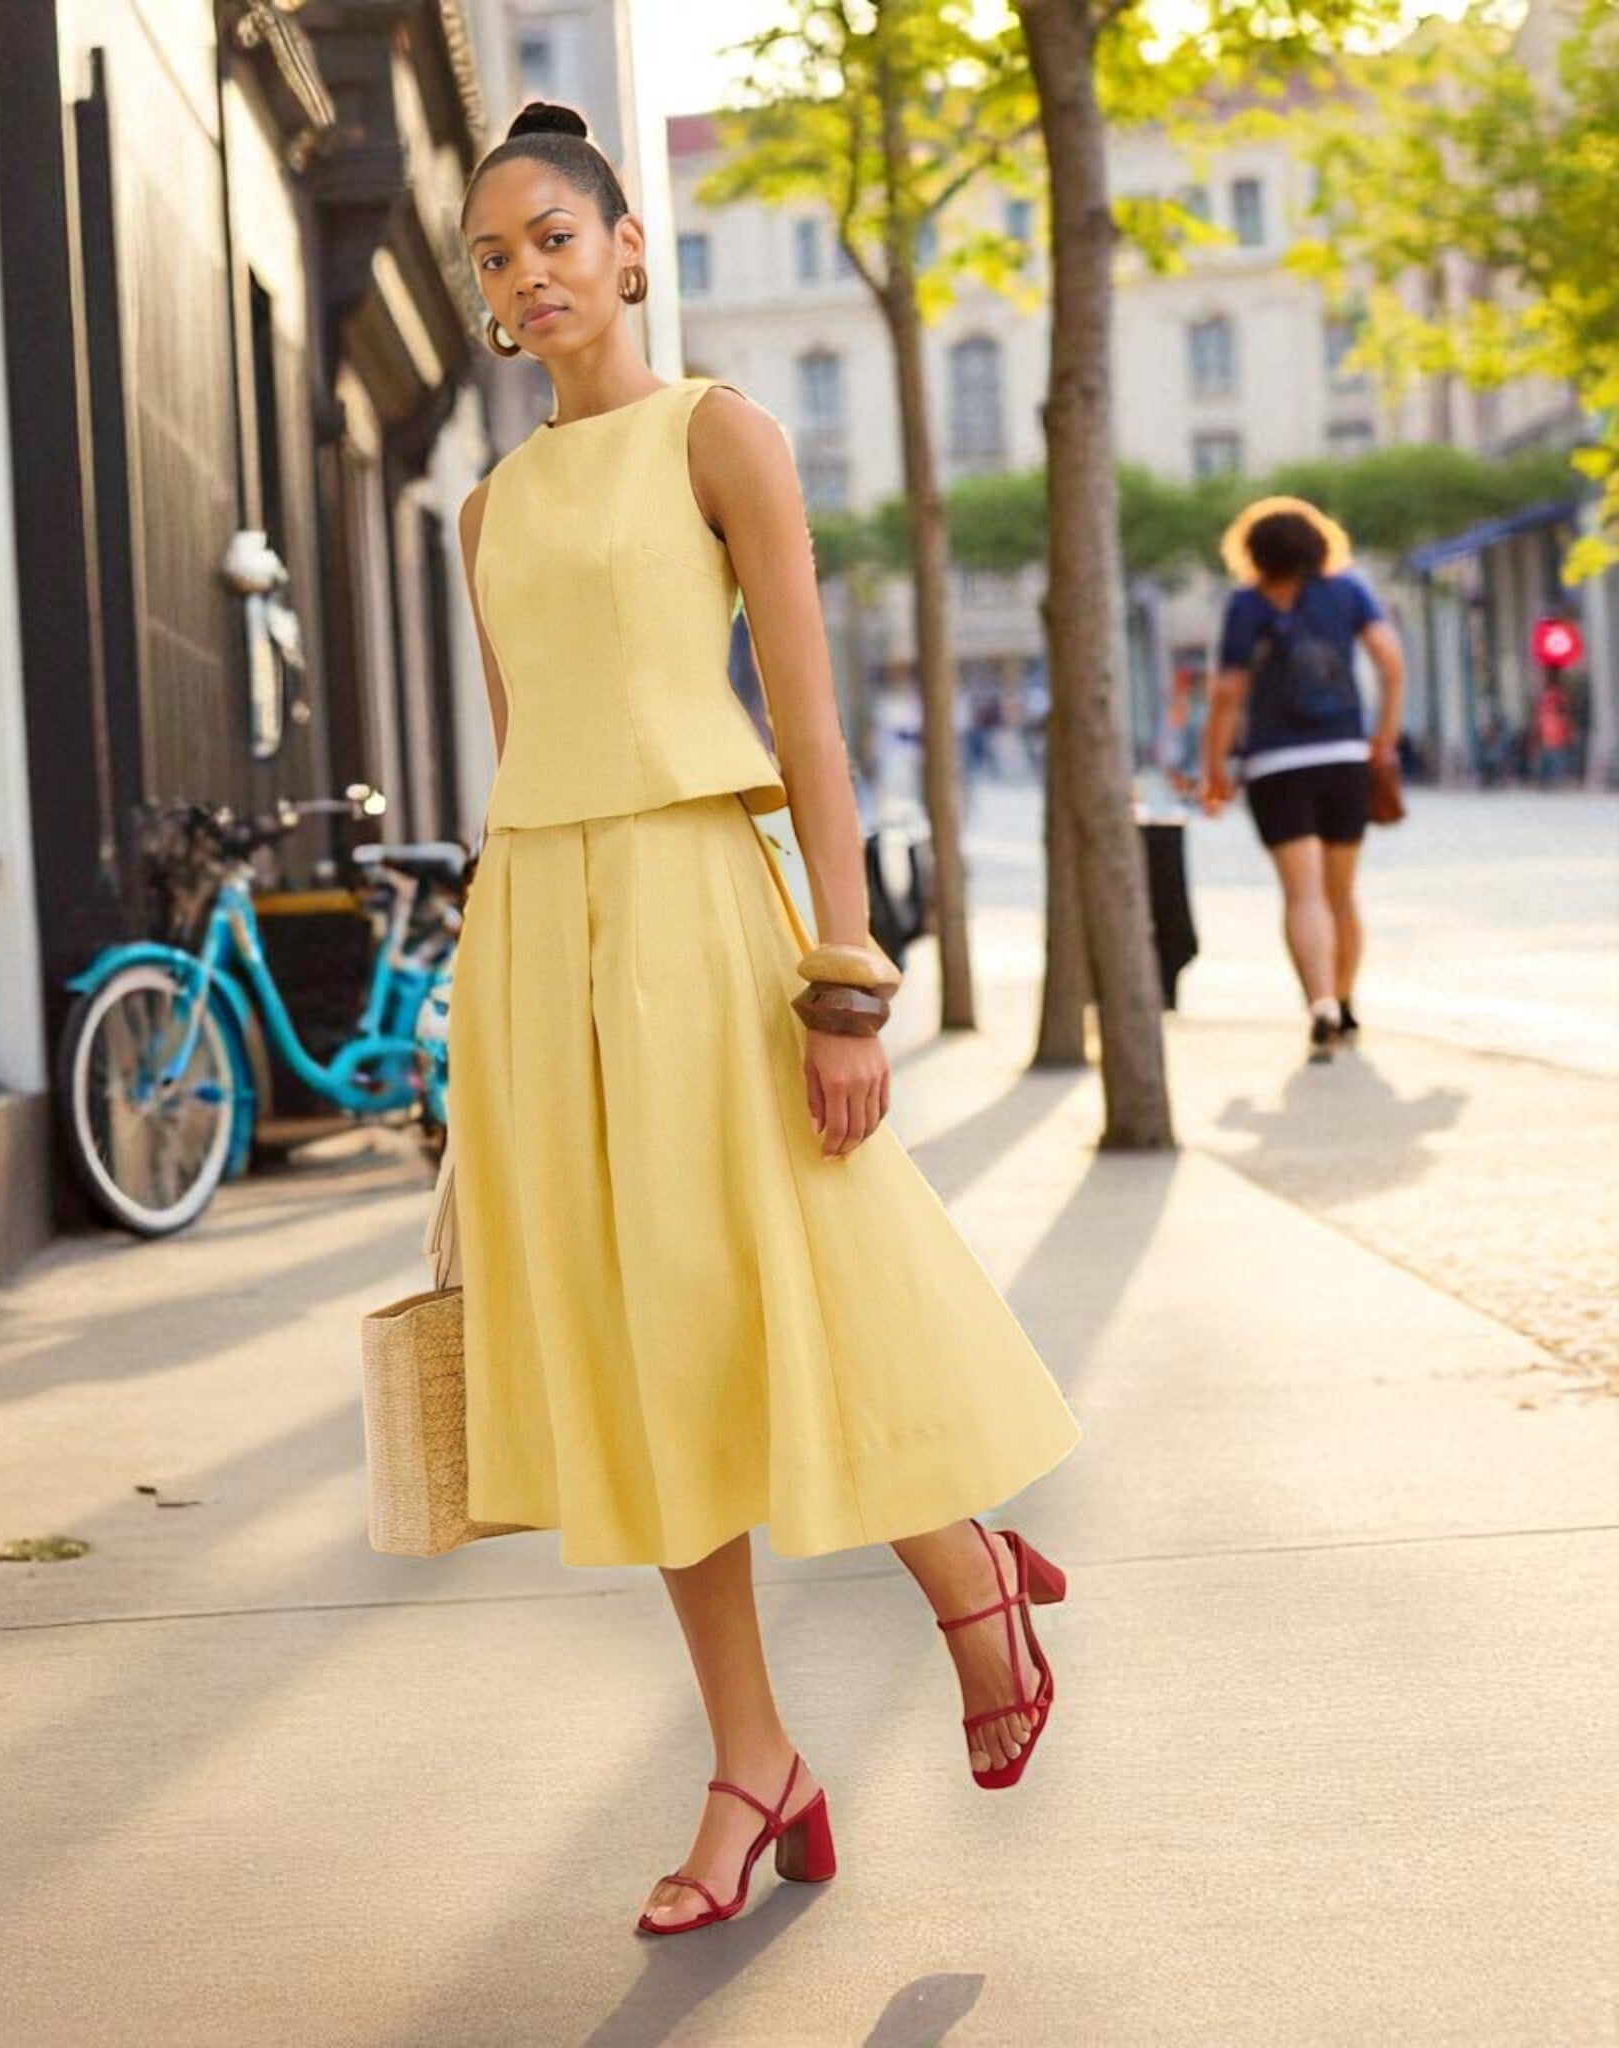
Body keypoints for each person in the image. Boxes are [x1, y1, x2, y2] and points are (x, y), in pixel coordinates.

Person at [447, 102, 1082, 1940]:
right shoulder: (488, 508)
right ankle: (752, 1760)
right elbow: (523, 756)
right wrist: (488, 1014)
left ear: (629, 246)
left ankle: (964, 1566)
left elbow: (809, 726)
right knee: (645, 1353)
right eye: (494, 255)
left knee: (778, 1283)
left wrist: (846, 975)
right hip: (537, 937)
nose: (526, 274)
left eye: (554, 235)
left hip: (699, 916)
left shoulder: (718, 434)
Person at [1200, 497, 1405, 1063]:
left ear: (1253, 553)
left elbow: (1225, 694)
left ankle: (1319, 1004)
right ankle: (1345, 999)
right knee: (1341, 894)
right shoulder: (1349, 591)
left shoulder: (1245, 605)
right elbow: (1391, 662)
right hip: (1344, 757)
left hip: (1275, 765)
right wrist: (1382, 739)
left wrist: (1214, 768)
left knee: (1303, 895)